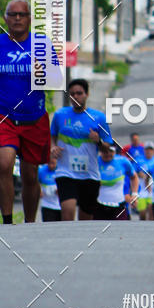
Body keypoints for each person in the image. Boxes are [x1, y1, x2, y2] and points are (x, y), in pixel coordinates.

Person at [0, 0, 61, 224]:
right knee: (5, 164)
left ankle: (29, 224)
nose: (18, 18)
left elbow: (56, 78)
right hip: (2, 116)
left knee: (30, 175)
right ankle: (7, 222)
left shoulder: (42, 43)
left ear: (30, 18)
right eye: (13, 15)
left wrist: (44, 72)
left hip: (34, 119)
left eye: (22, 14)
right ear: (5, 19)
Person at [50, 78, 112, 221]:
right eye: (72, 94)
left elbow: (107, 148)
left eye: (79, 93)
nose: (75, 96)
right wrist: (53, 147)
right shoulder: (60, 115)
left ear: (87, 95)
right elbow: (52, 135)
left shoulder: (99, 117)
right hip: (65, 172)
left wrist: (98, 141)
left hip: (89, 175)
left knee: (85, 220)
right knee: (68, 211)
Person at [94, 143, 138, 220]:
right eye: (105, 151)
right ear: (100, 151)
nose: (108, 154)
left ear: (115, 151)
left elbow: (134, 177)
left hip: (119, 206)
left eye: (111, 151)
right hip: (98, 206)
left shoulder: (123, 161)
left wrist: (134, 194)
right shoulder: (95, 162)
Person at [135, 141, 154, 220]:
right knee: (142, 214)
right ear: (144, 150)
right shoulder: (138, 160)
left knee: (152, 213)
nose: (149, 151)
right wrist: (138, 174)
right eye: (147, 149)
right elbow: (132, 173)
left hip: (153, 190)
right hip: (141, 190)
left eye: (151, 149)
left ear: (153, 151)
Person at [38, 155, 61, 222]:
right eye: (49, 163)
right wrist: (39, 190)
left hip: (59, 205)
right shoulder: (41, 170)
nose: (51, 165)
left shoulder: (60, 170)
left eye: (53, 163)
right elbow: (36, 182)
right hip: (47, 205)